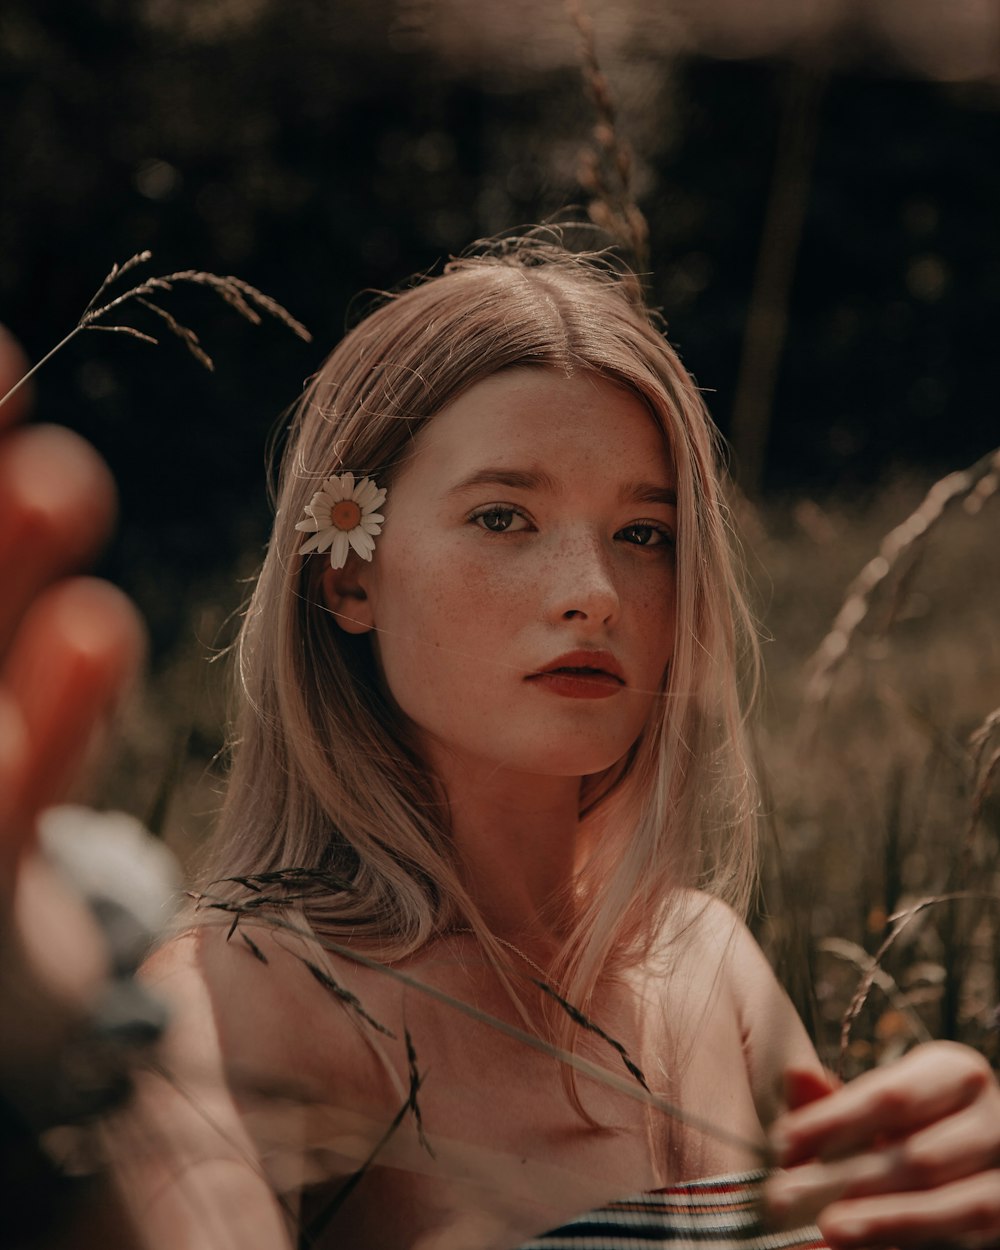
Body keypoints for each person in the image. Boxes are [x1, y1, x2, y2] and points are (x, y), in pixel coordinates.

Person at [9, 236, 1000, 1249]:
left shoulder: (708, 964)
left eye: (643, 532)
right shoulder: (255, 989)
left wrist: (952, 1193)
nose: (593, 593)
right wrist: (55, 1068)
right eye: (501, 516)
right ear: (348, 576)